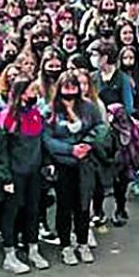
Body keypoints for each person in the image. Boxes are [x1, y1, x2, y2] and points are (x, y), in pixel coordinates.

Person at [42, 72, 106, 266]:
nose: (69, 92)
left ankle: (82, 242)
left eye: (73, 88)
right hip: (63, 164)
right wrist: (70, 149)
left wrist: (86, 144)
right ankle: (65, 246)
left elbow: (100, 127)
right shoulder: (50, 110)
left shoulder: (88, 107)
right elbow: (47, 139)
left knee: (83, 205)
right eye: (66, 88)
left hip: (84, 163)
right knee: (64, 206)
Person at [0, 77, 49, 275]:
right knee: (12, 212)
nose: (35, 93)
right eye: (32, 90)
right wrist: (5, 177)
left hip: (33, 173)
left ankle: (33, 248)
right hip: (15, 174)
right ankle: (10, 253)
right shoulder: (7, 117)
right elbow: (1, 151)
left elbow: (41, 144)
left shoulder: (35, 114)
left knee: (33, 210)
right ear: (21, 93)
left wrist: (46, 166)